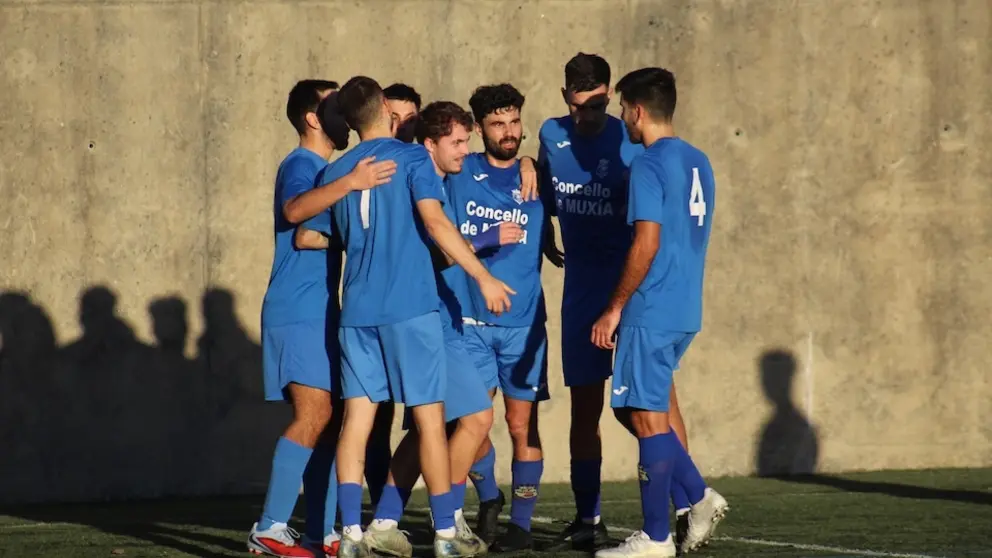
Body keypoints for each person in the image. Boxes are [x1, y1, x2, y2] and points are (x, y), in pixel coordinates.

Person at [317, 76, 515, 558]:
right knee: (429, 421)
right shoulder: (410, 159)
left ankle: (351, 536)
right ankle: (447, 533)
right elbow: (434, 220)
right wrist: (483, 275)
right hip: (410, 309)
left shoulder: (335, 172)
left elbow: (315, 235)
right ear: (386, 108)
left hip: (356, 313)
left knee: (356, 424)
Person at [247, 81, 394, 558]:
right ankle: (269, 528)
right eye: (332, 104)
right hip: (297, 310)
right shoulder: (302, 166)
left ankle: (322, 534)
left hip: (320, 310)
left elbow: (321, 235)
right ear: (313, 117)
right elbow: (296, 217)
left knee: (330, 422)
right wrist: (351, 184)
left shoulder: (324, 170)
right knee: (315, 415)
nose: (342, 112)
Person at [589, 67, 728, 558]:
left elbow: (647, 241)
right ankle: (697, 495)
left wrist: (615, 308)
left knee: (646, 419)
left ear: (638, 110)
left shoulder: (649, 164)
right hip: (685, 305)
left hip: (651, 306)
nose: (623, 117)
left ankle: (655, 536)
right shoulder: (699, 160)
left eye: (623, 108)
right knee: (633, 408)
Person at [445, 83, 548, 552]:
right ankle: (488, 497)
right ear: (479, 128)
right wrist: (485, 237)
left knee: (522, 425)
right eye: (497, 124)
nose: (508, 133)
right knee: (470, 422)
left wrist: (531, 164)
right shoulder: (458, 170)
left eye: (513, 122)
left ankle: (521, 526)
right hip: (469, 322)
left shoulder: (539, 175)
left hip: (524, 327)